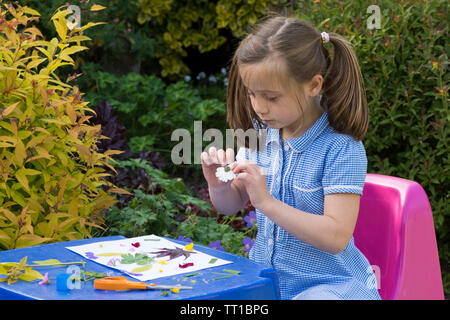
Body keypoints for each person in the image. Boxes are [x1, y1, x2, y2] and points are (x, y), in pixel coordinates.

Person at [201, 15, 381, 300]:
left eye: (272, 98)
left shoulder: (341, 149)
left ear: (313, 85)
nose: (259, 108)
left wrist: (267, 203)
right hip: (270, 283)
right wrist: (219, 185)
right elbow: (230, 204)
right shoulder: (259, 135)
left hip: (331, 287)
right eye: (252, 94)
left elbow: (336, 237)